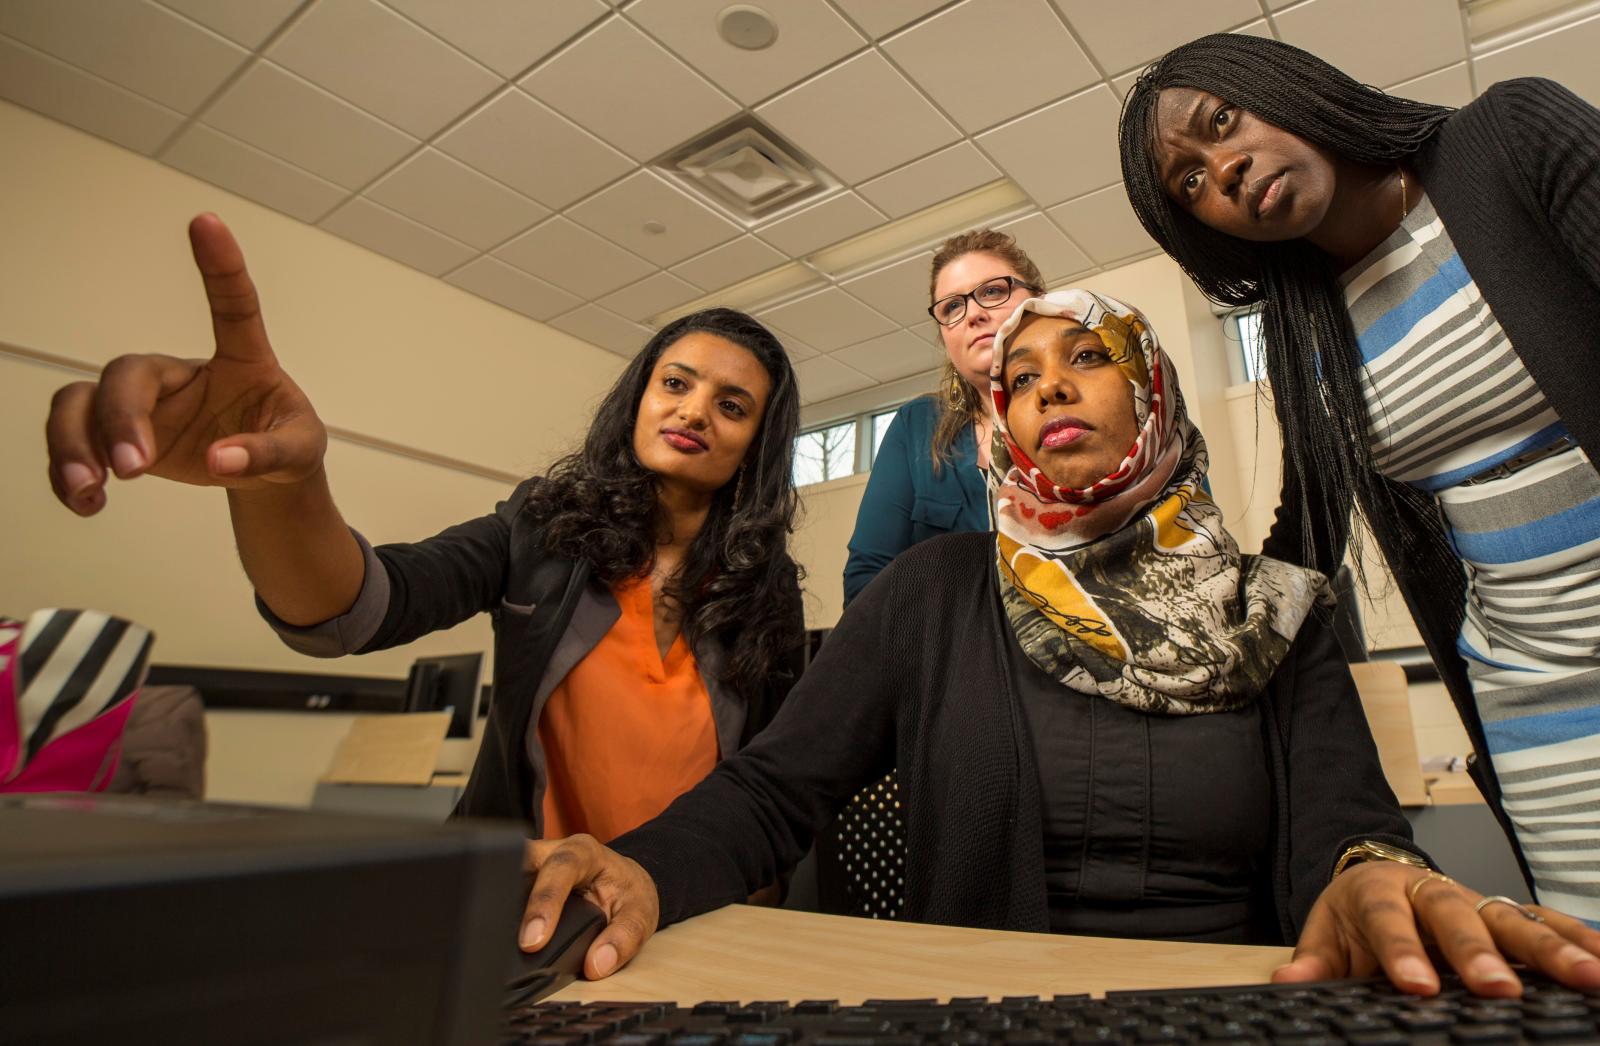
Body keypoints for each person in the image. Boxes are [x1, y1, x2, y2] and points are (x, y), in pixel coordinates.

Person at [516, 288, 1600, 998]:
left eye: (1086, 355)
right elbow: (773, 789)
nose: (1045, 384)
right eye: (1019, 376)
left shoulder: (1277, 604)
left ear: (1152, 394)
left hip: (1238, 1008)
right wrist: (644, 864)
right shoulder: (932, 591)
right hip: (986, 1013)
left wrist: (1376, 875)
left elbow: (1347, 826)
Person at [41, 213, 806, 842]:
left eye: (731, 406)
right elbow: (359, 608)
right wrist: (283, 486)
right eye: (674, 383)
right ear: (638, 399)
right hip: (529, 906)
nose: (694, 410)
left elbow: (777, 788)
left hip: (697, 909)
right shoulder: (542, 528)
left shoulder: (763, 590)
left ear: (755, 449)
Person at [1117, 33, 1600, 923]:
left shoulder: (1507, 138)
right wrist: (1156, 613)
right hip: (1532, 690)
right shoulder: (1307, 331)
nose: (1223, 169)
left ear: (1283, 86)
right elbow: (1305, 543)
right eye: (1191, 182)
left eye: (1222, 123)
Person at [841, 229, 1042, 604]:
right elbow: (866, 583)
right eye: (951, 308)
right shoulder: (917, 426)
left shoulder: (1089, 398)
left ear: (1039, 302)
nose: (975, 315)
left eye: (993, 291)